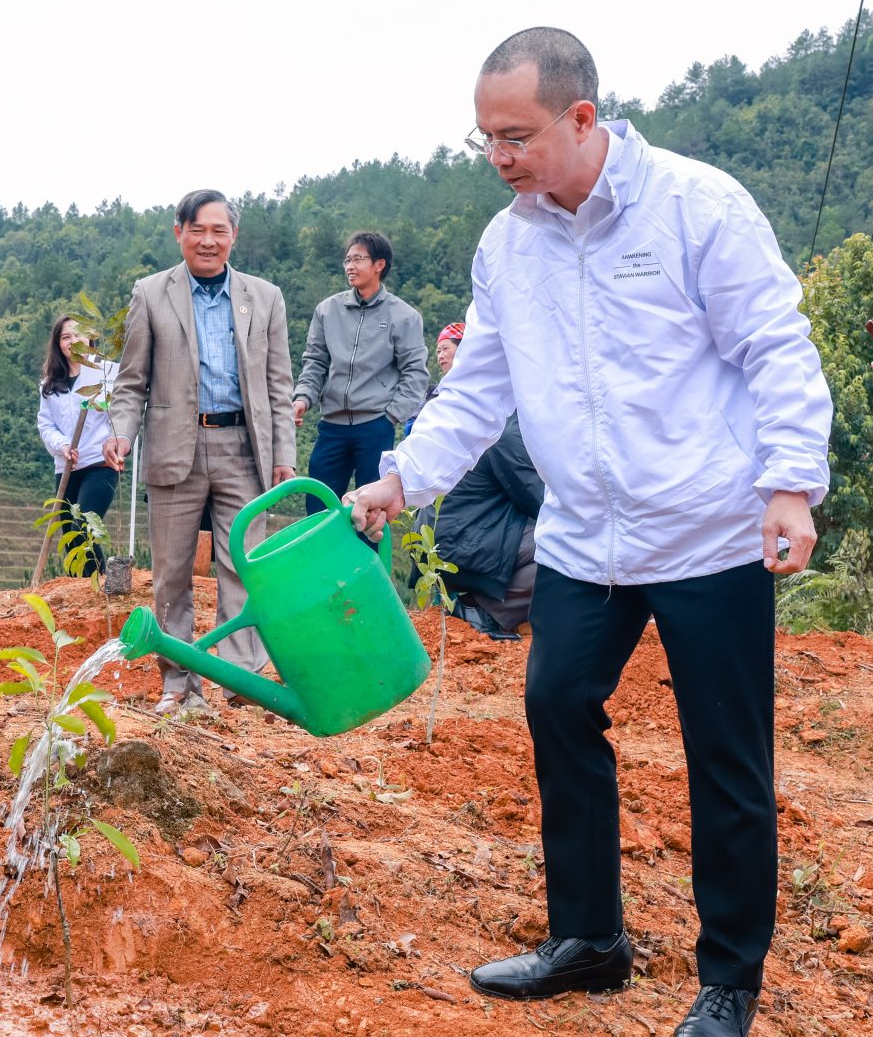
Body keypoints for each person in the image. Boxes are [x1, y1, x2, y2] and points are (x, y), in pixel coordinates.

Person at [349, 27, 831, 1037]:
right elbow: (479, 385)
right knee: (556, 703)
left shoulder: (697, 207)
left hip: (706, 530)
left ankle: (728, 975)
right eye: (485, 138)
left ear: (582, 118)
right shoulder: (507, 243)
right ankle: (590, 938)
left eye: (516, 134)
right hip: (584, 534)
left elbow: (774, 346)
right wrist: (402, 477)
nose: (499, 156)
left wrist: (788, 480)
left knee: (726, 752)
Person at [104, 190, 296, 713]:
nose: (208, 241)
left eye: (218, 231)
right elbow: (131, 382)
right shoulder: (151, 293)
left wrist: (285, 452)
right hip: (174, 446)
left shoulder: (266, 296)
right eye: (197, 230)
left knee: (245, 566)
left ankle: (239, 680)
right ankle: (180, 684)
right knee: (171, 571)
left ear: (234, 235)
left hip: (244, 447)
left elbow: (279, 384)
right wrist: (121, 430)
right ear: (179, 233)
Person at [294, 230, 427, 536]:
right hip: (332, 425)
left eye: (358, 259)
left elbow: (415, 372)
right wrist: (303, 398)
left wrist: (390, 417)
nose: (350, 266)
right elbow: (315, 362)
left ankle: (365, 579)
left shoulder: (403, 316)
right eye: (347, 259)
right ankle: (321, 576)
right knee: (319, 510)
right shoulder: (327, 311)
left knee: (370, 517)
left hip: (374, 427)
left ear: (379, 264)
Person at [418, 321, 544, 639]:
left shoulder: (477, 408)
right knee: (561, 544)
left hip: (442, 534)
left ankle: (479, 601)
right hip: (459, 539)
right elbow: (536, 495)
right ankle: (486, 611)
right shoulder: (505, 423)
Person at [39, 312, 121, 575]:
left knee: (84, 526)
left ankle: (102, 585)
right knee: (70, 540)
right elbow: (46, 424)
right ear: (58, 344)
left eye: (78, 333)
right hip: (66, 467)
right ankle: (81, 593)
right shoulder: (50, 384)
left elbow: (127, 409)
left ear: (90, 337)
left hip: (100, 463)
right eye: (66, 336)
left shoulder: (109, 372)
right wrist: (62, 446)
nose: (73, 340)